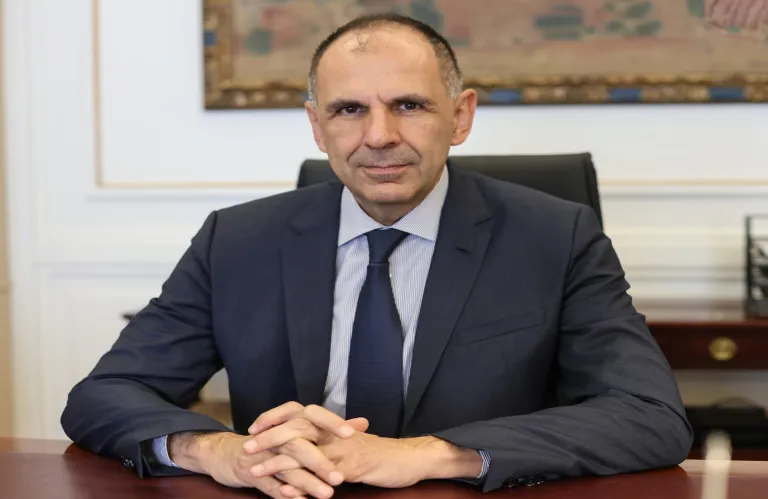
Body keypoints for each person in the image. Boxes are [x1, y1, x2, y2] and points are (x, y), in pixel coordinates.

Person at [61, 13, 693, 499]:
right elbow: (106, 394)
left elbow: (649, 417)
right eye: (349, 110)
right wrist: (219, 451)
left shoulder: (555, 237)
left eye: (409, 105)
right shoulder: (238, 240)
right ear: (317, 126)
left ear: (461, 116)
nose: (380, 136)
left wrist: (426, 454)